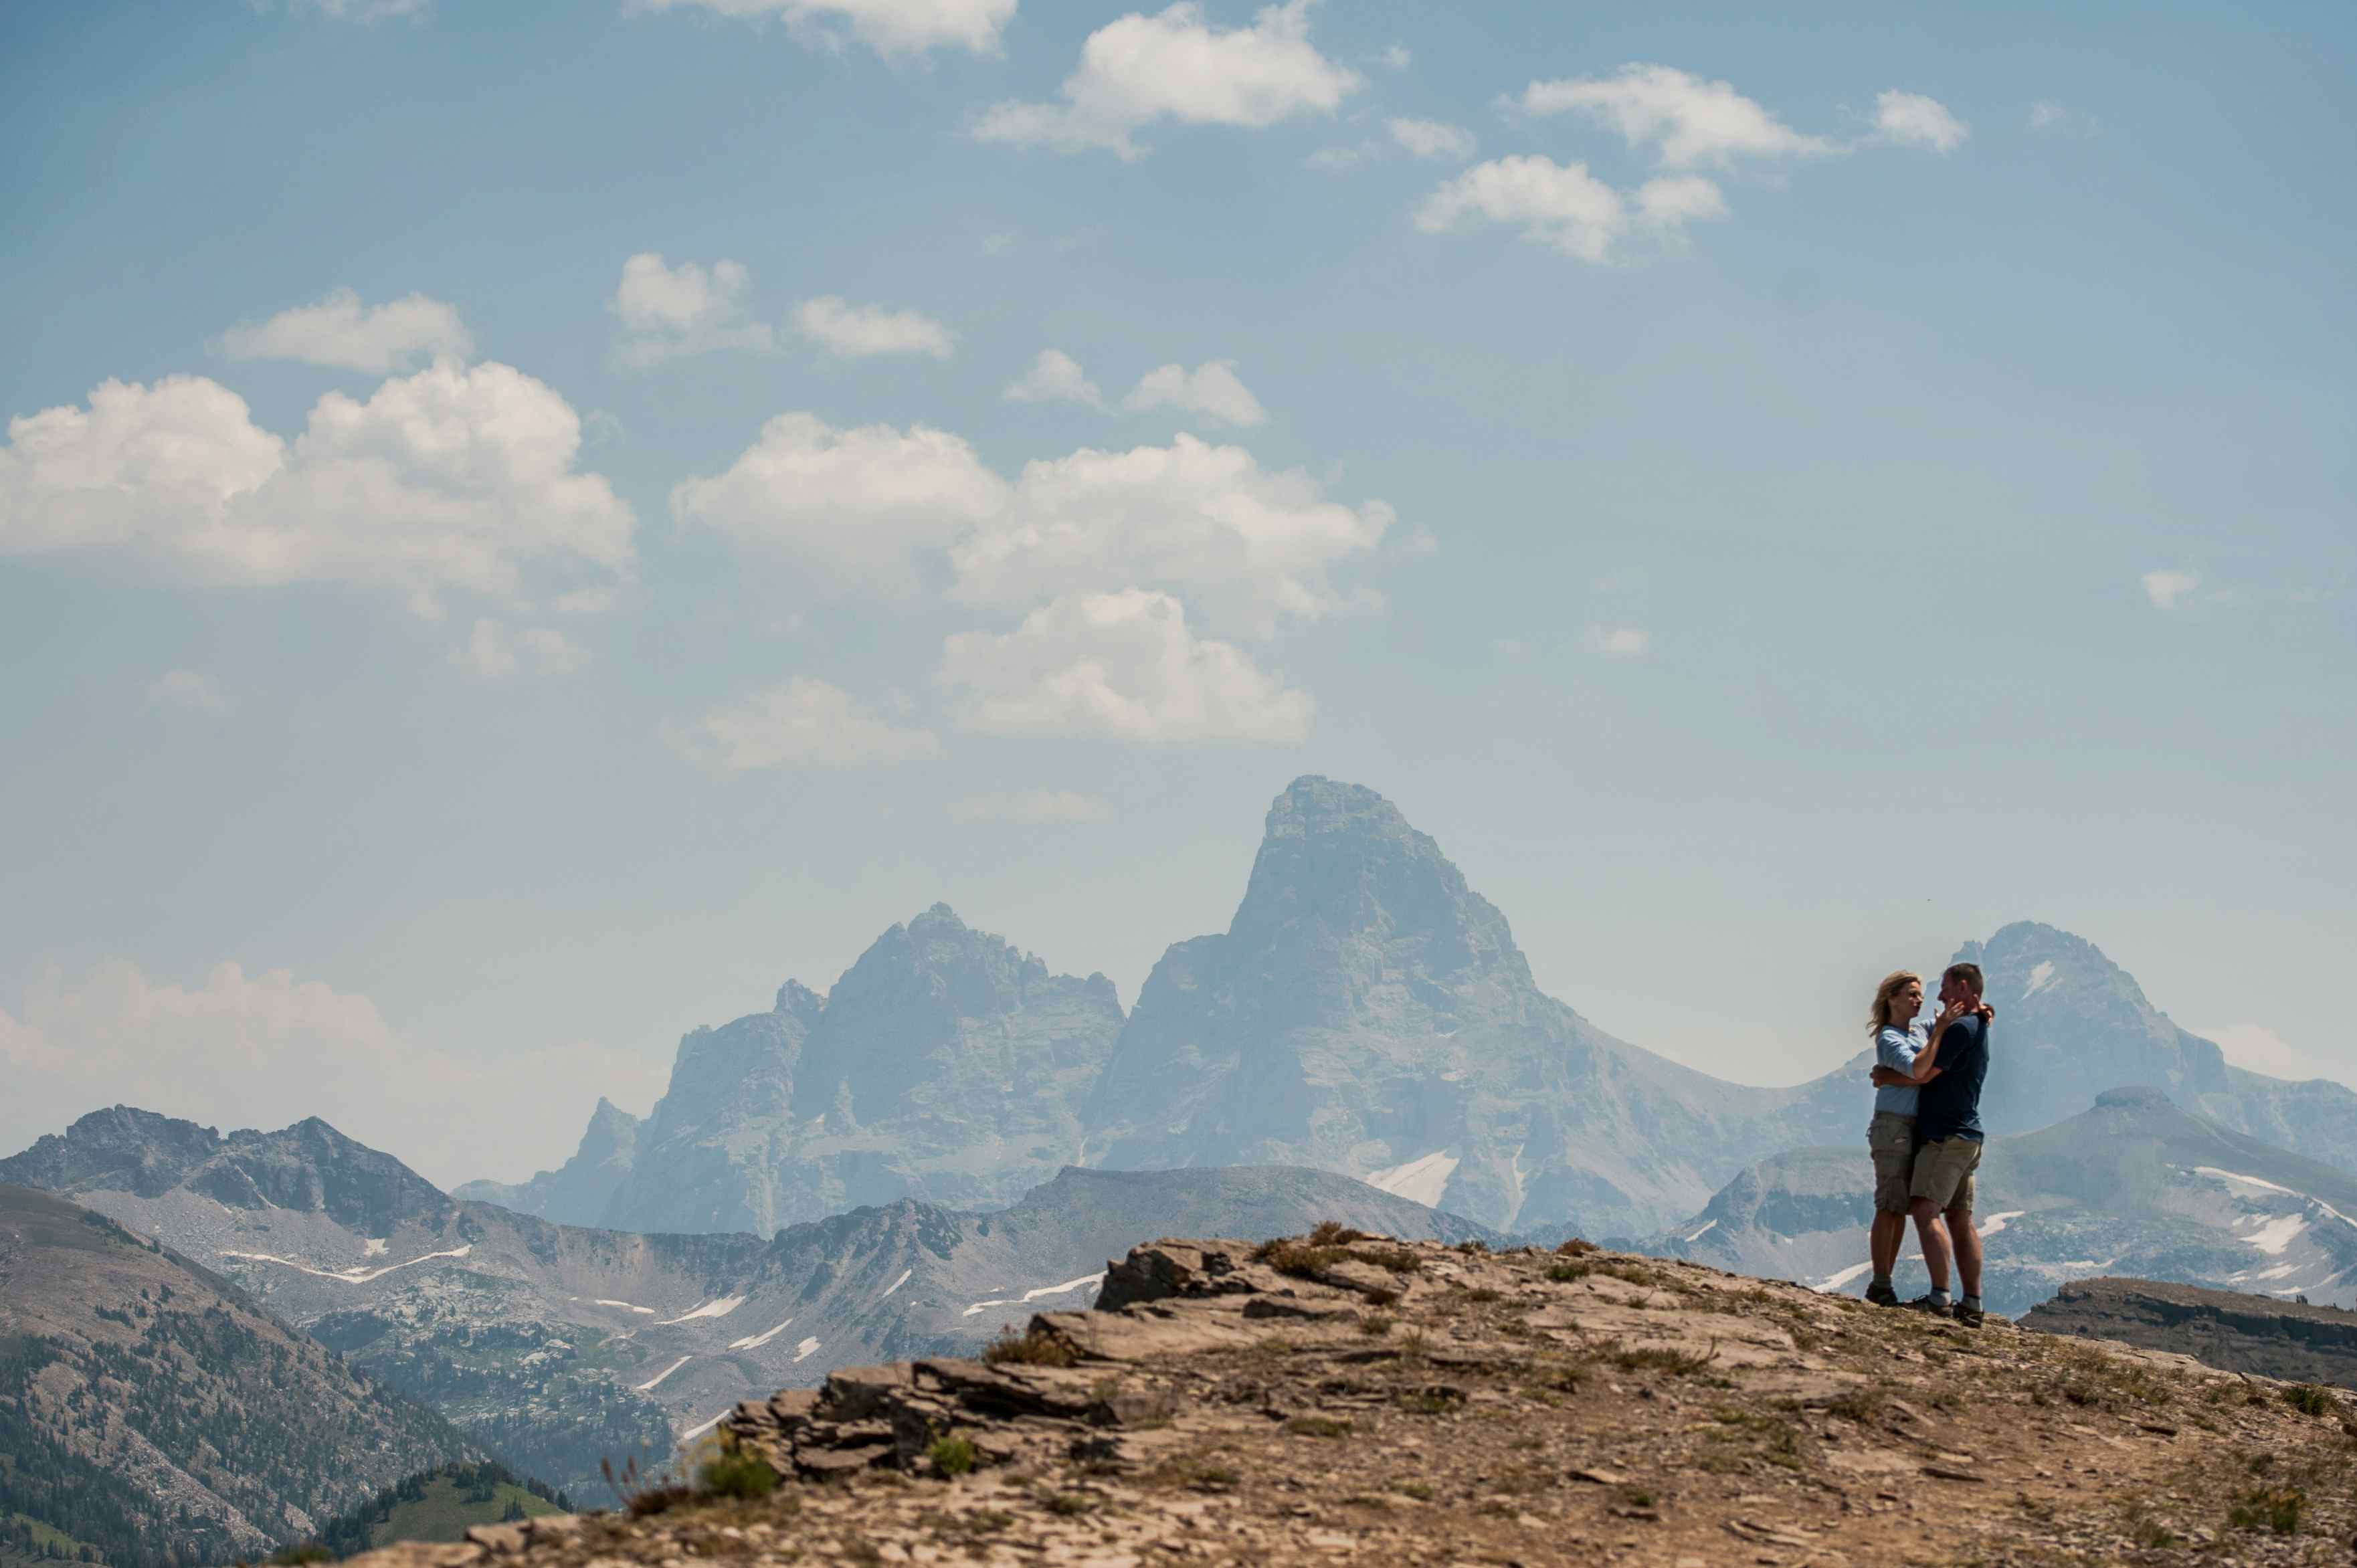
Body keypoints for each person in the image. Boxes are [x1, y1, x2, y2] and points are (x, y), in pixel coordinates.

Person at [1872, 963, 1994, 1326]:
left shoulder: (1956, 1030)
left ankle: (1940, 1297)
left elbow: (1922, 1074)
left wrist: (1885, 1077)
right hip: (1966, 1133)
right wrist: (1982, 1012)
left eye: (1941, 989)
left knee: (1924, 1211)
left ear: (1961, 987)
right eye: (1916, 994)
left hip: (1946, 1136)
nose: (1935, 998)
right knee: (1959, 1216)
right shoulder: (1967, 1026)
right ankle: (1972, 1302)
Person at [1861, 971, 1929, 1308]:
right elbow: (1916, 1070)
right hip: (1893, 1127)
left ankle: (1884, 1282)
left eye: (1920, 994)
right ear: (1893, 999)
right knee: (1889, 1204)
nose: (1919, 1000)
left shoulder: (1918, 1031)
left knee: (1898, 1207)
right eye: (1912, 994)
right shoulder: (1890, 1038)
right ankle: (1880, 1283)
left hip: (1912, 1126)